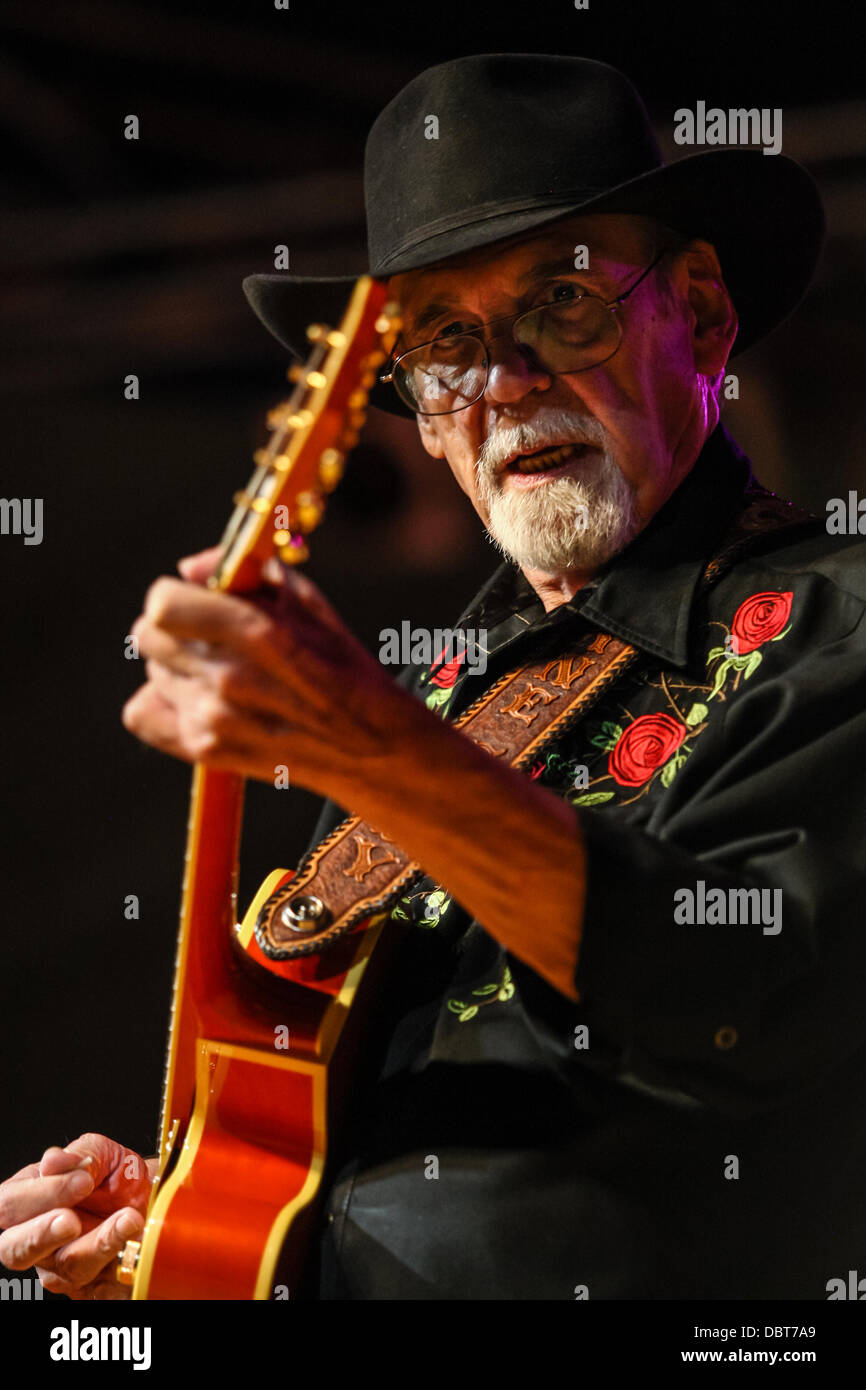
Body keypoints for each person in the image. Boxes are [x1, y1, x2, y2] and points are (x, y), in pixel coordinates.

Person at [1, 53, 864, 1301]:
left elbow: (742, 996)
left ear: (701, 313)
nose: (504, 383)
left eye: (562, 306)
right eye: (440, 343)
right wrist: (190, 1211)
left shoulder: (834, 625)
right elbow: (349, 1149)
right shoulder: (436, 711)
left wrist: (365, 746)